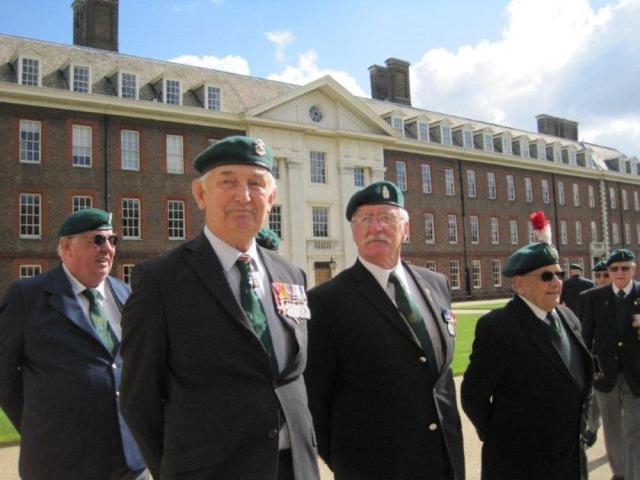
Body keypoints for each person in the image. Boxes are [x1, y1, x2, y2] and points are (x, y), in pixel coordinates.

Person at [119, 136, 320, 480]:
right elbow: (140, 400)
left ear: (270, 198)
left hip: (295, 469)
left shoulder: (292, 274)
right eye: (228, 181)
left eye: (256, 184)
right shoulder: (160, 281)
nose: (243, 196)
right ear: (200, 194)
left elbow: (296, 374)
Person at [305, 181, 465, 480]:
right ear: (353, 231)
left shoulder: (436, 284)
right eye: (365, 219)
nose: (376, 227)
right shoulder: (326, 301)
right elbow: (316, 400)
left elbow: (439, 380)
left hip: (443, 462)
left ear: (406, 228)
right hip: (374, 468)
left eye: (387, 218)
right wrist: (349, 465)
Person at [0, 208, 146, 480]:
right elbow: (5, 378)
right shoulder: (27, 296)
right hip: (60, 462)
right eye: (97, 240)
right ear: (67, 246)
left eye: (112, 240)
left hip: (129, 462)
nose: (107, 249)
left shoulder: (126, 294)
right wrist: (42, 427)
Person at [461, 211, 593, 480]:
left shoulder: (568, 318)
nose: (557, 282)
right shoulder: (499, 327)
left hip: (570, 459)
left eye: (559, 274)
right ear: (519, 284)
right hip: (521, 463)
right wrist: (502, 437)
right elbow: (473, 394)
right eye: (546, 277)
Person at [581, 249, 640, 480]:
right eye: (614, 269)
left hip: (637, 374)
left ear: (633, 269)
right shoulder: (594, 298)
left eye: (625, 268)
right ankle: (620, 473)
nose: (619, 273)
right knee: (613, 428)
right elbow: (585, 338)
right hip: (605, 375)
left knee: (634, 430)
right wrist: (587, 372)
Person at [576, 260, 611, 449]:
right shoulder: (586, 296)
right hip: (595, 357)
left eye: (605, 275)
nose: (602, 279)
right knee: (595, 398)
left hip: (621, 361)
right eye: (598, 275)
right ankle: (593, 427)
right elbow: (581, 327)